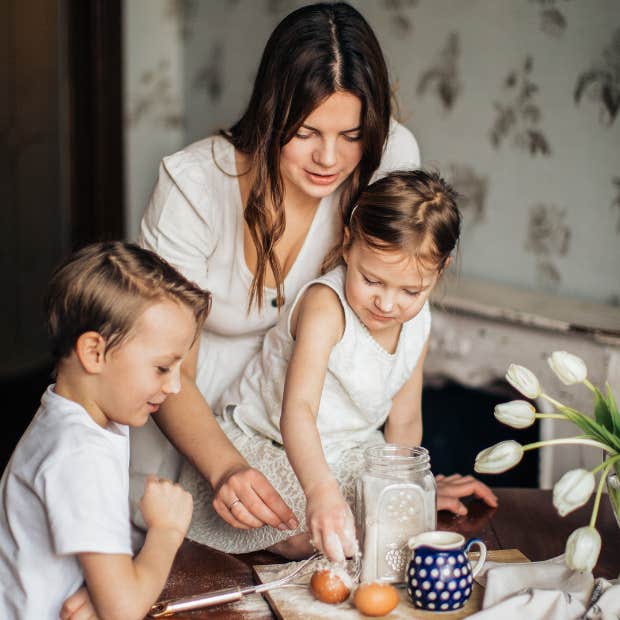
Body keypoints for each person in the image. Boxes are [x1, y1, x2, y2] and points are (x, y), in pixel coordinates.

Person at [130, 1, 497, 540]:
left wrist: (399, 486)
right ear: (271, 113)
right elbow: (164, 368)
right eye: (306, 132)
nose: (330, 157)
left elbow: (398, 283)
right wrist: (227, 467)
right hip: (188, 430)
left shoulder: (385, 154)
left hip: (317, 447)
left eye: (350, 135)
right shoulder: (193, 186)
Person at [181, 169, 476, 561]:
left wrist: (405, 491)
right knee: (313, 531)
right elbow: (298, 412)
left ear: (440, 270)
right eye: (372, 280)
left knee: (390, 525)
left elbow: (404, 421)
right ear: (348, 245)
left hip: (350, 450)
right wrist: (321, 493)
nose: (387, 305)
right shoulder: (326, 307)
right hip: (273, 443)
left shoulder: (417, 322)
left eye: (410, 290)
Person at [0, 242, 211, 620]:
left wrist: (97, 588)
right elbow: (124, 612)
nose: (175, 387)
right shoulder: (80, 455)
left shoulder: (77, 415)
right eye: (162, 368)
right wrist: (165, 531)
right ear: (94, 353)